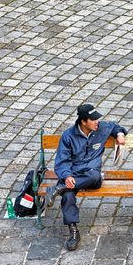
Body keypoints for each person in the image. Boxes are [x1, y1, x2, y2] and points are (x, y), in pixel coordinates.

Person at [47, 103, 127, 251]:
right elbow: (62, 161)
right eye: (93, 119)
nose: (97, 122)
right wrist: (67, 176)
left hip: (91, 175)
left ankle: (59, 188)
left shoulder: (101, 128)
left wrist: (120, 134)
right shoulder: (68, 136)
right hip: (72, 174)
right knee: (67, 196)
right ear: (83, 121)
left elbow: (115, 126)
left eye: (97, 119)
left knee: (95, 176)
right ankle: (74, 232)